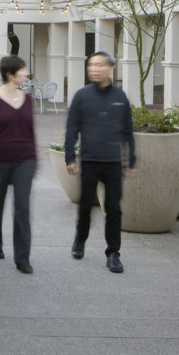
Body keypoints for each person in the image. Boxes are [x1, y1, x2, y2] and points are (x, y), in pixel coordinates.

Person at [64, 51, 135, 274]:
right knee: (85, 206)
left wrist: (131, 159)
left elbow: (127, 130)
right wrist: (69, 157)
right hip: (90, 160)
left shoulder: (120, 96)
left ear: (110, 68)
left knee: (113, 209)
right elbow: (72, 127)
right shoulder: (82, 96)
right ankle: (80, 239)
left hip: (113, 162)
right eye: (91, 65)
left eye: (99, 65)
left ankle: (113, 253)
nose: (94, 69)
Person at [0, 55, 37, 274]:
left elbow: (30, 132)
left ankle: (23, 258)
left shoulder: (28, 99)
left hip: (24, 160)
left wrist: (34, 160)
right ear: (10, 74)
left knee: (22, 206)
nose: (26, 74)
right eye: (22, 71)